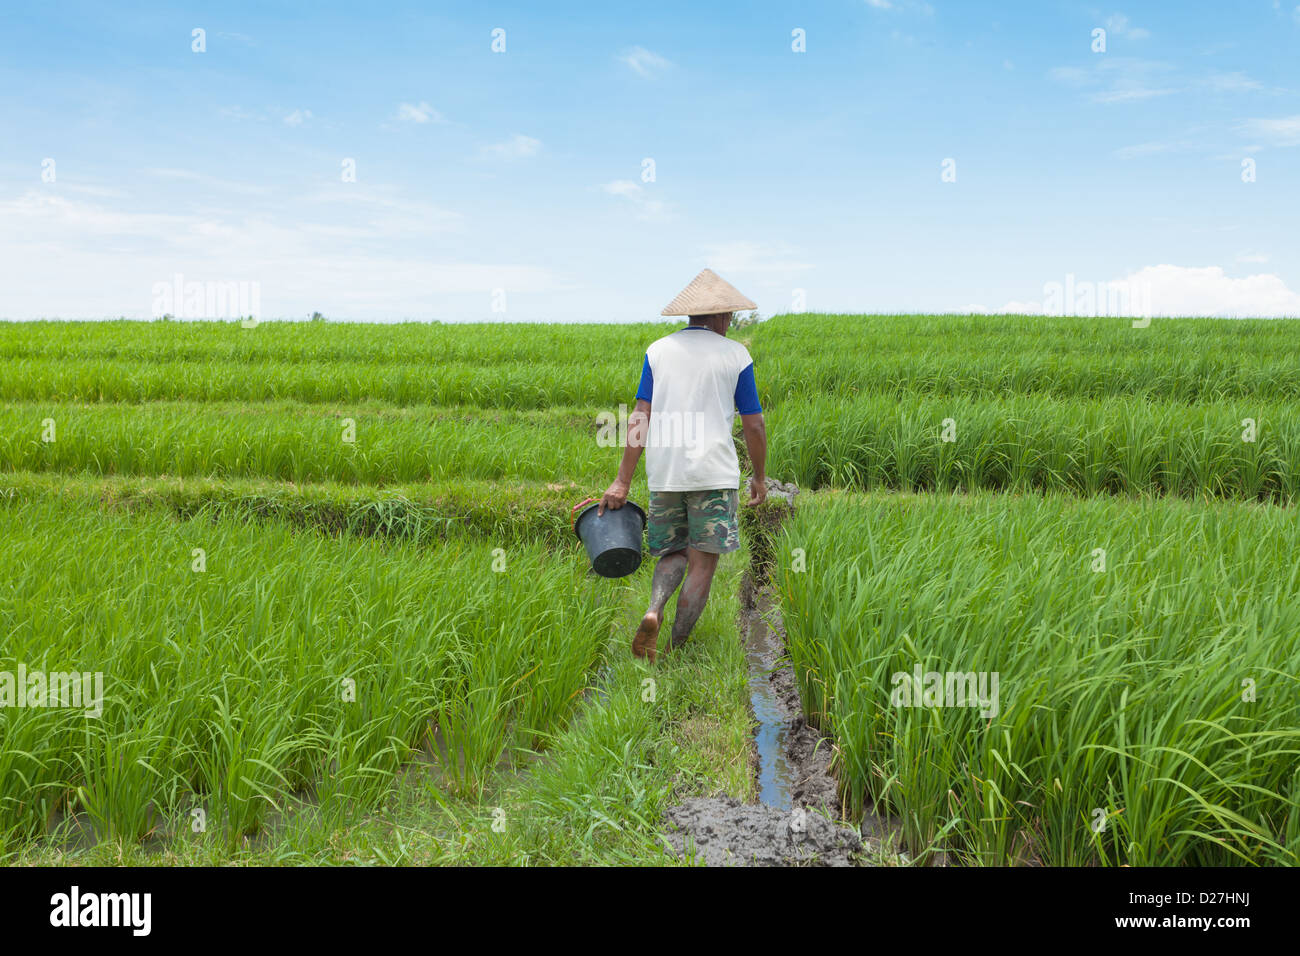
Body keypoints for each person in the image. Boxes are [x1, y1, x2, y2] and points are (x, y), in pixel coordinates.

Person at [599, 268, 768, 662]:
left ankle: (654, 608)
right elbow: (754, 423)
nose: (730, 323)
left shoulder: (657, 351)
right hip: (714, 473)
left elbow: (641, 414)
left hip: (666, 473)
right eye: (730, 316)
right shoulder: (736, 354)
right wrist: (759, 476)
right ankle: (673, 652)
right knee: (702, 562)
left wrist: (622, 481)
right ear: (721, 316)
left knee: (672, 553)